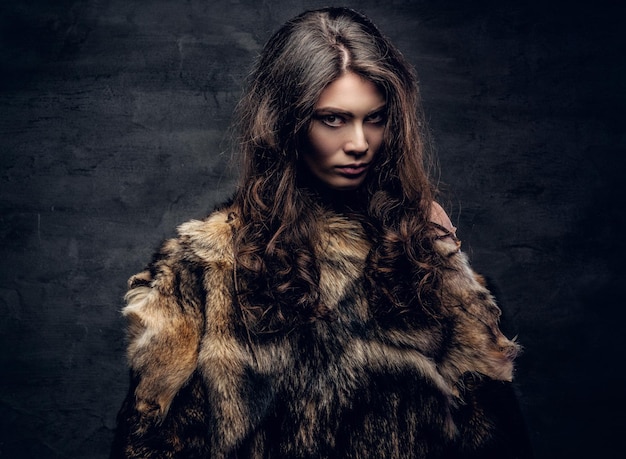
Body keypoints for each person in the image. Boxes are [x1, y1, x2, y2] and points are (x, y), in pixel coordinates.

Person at [111, 7, 532, 458]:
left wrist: (451, 266)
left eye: (375, 118)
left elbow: (492, 438)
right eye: (332, 119)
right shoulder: (206, 267)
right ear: (286, 124)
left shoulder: (423, 256)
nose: (359, 142)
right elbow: (151, 441)